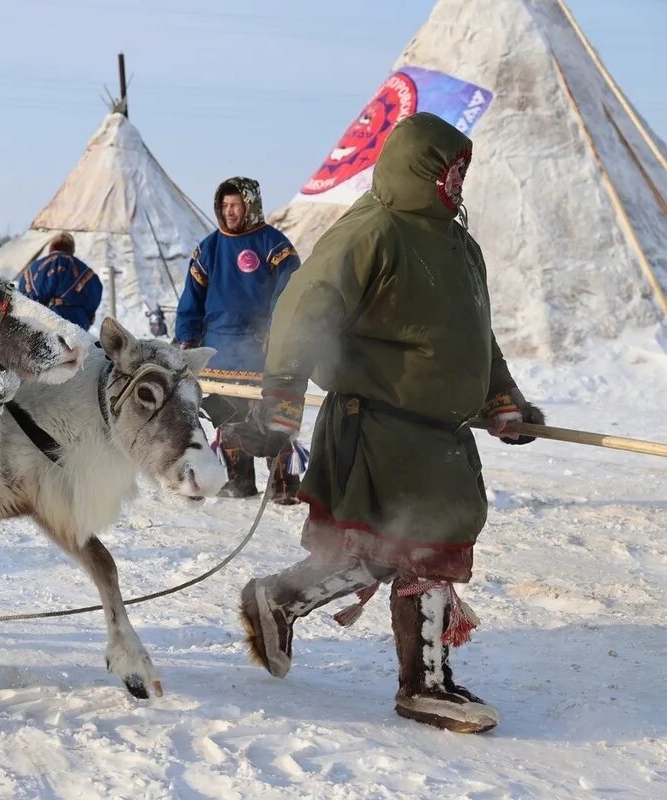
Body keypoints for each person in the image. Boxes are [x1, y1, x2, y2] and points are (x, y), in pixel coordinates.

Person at [239, 112, 545, 735]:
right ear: (421, 168)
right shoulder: (373, 231)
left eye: (463, 171)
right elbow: (303, 310)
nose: (459, 182)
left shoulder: (462, 246)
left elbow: (474, 337)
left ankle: (279, 600)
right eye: (450, 170)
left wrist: (501, 398)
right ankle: (424, 686)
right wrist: (281, 405)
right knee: (422, 549)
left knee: (397, 553)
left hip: (441, 436)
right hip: (380, 425)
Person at [174, 176, 302, 501]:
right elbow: (192, 298)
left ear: (251, 204)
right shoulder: (209, 248)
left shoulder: (273, 244)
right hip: (221, 350)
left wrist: (277, 328)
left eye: (236, 204)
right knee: (228, 417)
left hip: (264, 349)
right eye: (224, 205)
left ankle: (283, 485)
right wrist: (186, 338)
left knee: (274, 414)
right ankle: (240, 481)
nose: (230, 211)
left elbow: (291, 288)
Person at [15, 232, 102, 330]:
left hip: (41, 323)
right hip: (75, 325)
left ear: (51, 247)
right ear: (72, 249)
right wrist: (88, 317)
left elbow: (23, 298)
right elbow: (94, 297)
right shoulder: (86, 271)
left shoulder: (31, 269)